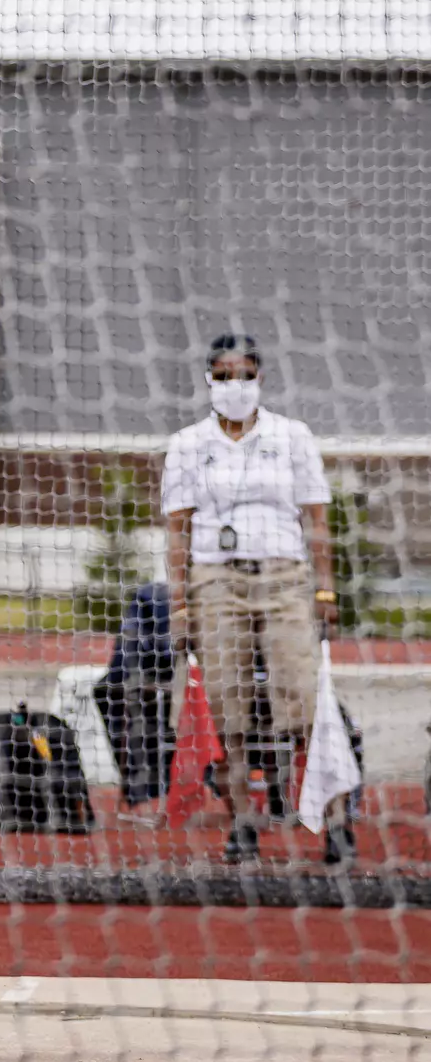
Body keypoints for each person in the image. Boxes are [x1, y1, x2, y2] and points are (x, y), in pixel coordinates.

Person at [159, 333, 350, 864]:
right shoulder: (188, 444)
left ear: (260, 378)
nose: (233, 385)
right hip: (217, 581)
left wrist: (324, 587)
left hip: (284, 577)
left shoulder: (293, 436)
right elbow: (177, 530)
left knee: (305, 696)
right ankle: (244, 818)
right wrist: (181, 602)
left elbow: (316, 518)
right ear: (208, 381)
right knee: (227, 705)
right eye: (222, 375)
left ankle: (334, 818)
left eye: (243, 374)